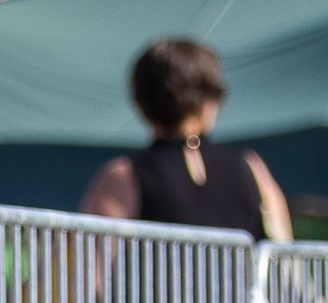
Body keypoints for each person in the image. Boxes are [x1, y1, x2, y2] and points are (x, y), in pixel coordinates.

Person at [82, 38, 293, 239]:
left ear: (140, 99)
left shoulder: (124, 177)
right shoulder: (253, 169)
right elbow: (284, 252)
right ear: (211, 100)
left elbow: (91, 260)